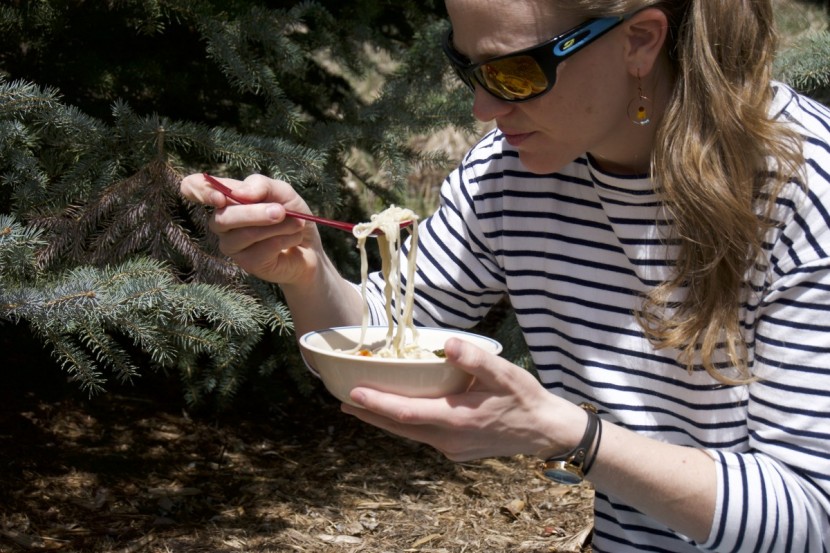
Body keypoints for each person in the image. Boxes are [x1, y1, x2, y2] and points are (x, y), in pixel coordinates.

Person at [180, 0, 830, 551]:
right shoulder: (508, 176)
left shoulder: (803, 188)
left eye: (516, 73)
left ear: (639, 40)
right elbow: (377, 346)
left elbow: (812, 514)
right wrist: (303, 267)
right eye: (465, 67)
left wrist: (572, 435)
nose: (483, 109)